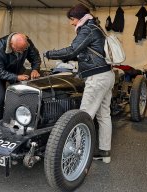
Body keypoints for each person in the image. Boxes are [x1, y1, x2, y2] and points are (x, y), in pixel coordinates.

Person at [44, 4, 115, 163]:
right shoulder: (96, 27)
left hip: (96, 78)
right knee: (103, 115)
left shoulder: (87, 29)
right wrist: (69, 57)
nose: (72, 23)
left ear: (80, 17)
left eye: (73, 19)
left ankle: (77, 153)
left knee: (82, 116)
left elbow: (72, 50)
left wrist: (50, 54)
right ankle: (105, 153)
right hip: (107, 75)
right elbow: (87, 53)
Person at [0, 32, 41, 120]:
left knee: (24, 93)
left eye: (24, 49)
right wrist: (16, 77)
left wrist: (35, 69)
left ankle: (21, 118)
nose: (22, 52)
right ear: (11, 45)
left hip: (16, 69)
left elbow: (35, 57)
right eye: (19, 50)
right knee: (1, 98)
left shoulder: (27, 43)